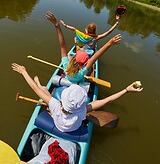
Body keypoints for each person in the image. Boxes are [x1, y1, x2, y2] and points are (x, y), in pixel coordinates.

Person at [11, 62, 143, 133]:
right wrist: (127, 89)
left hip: (57, 125)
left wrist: (23, 72)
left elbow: (34, 88)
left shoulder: (55, 105)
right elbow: (107, 100)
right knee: (91, 112)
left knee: (44, 91)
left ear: (62, 100)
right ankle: (44, 88)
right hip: (73, 128)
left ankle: (43, 87)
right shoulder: (83, 110)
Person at [45, 11, 121, 83]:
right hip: (89, 55)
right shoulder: (82, 72)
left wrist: (58, 25)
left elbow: (63, 46)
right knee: (91, 65)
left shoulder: (66, 66)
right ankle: (89, 72)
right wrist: (109, 42)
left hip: (80, 51)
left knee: (72, 47)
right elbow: (107, 34)